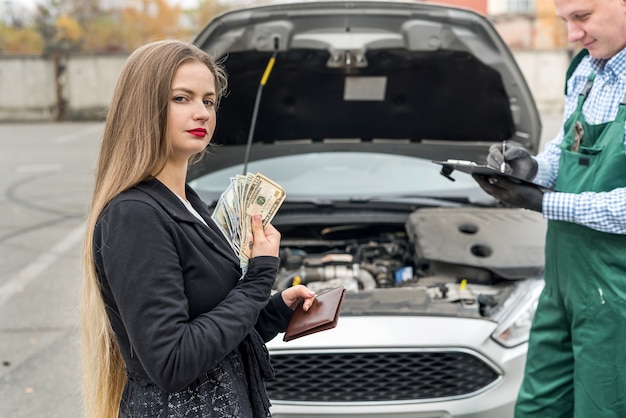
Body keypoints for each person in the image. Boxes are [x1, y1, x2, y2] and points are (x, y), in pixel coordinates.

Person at [80, 39, 316, 418]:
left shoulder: (187, 204)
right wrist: (258, 279)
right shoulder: (135, 216)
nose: (202, 113)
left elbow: (212, 330)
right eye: (182, 98)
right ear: (144, 108)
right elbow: (172, 361)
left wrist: (272, 311)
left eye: (208, 101)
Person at [473, 0, 626, 416]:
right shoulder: (586, 69)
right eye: (565, 21)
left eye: (583, 17)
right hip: (562, 280)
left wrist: (543, 201)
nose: (572, 34)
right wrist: (533, 169)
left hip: (616, 294)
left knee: (603, 408)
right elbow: (566, 149)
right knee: (540, 405)